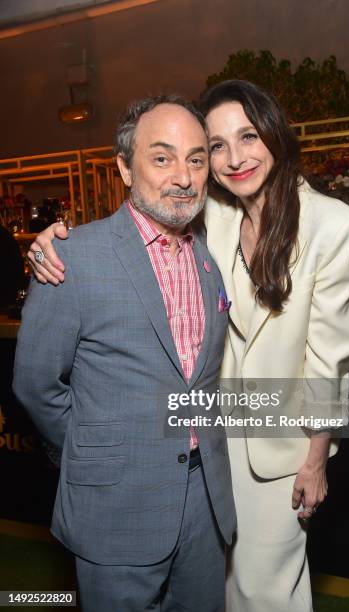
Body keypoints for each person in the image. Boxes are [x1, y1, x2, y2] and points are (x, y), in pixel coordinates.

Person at [27, 80, 349, 612]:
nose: (233, 159)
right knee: (222, 591)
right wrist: (52, 240)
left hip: (280, 447)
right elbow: (141, 215)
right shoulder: (215, 214)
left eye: (249, 136)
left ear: (274, 134)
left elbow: (330, 364)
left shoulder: (331, 227)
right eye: (216, 146)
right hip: (207, 447)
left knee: (266, 589)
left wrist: (316, 459)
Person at [13, 95, 236, 612]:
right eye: (162, 158)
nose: (182, 175)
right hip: (115, 503)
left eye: (196, 159)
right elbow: (36, 385)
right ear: (124, 170)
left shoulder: (208, 261)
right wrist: (100, 446)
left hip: (204, 502)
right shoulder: (70, 256)